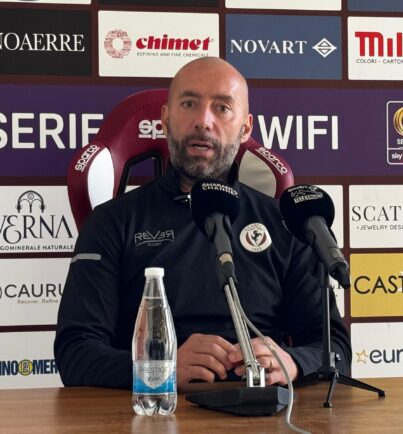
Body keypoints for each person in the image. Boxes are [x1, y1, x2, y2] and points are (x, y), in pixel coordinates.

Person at [54, 57, 351, 390]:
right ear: (165, 119)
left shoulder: (285, 223)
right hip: (156, 409)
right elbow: (74, 353)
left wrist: (291, 363)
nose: (203, 121)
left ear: (245, 129)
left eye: (222, 108)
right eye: (189, 104)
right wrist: (160, 369)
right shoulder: (111, 222)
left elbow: (335, 351)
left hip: (266, 408)